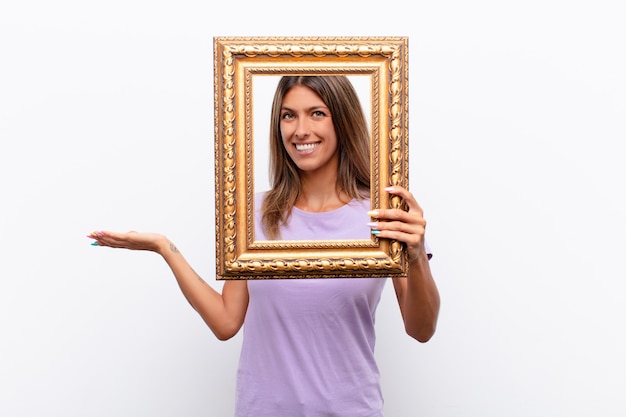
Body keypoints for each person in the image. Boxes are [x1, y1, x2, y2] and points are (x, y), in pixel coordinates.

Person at [88, 75, 440, 417]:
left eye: (317, 113)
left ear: (342, 120)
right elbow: (226, 322)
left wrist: (417, 255)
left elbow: (421, 329)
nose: (300, 129)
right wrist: (164, 247)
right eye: (289, 115)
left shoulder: (381, 215)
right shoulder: (254, 214)